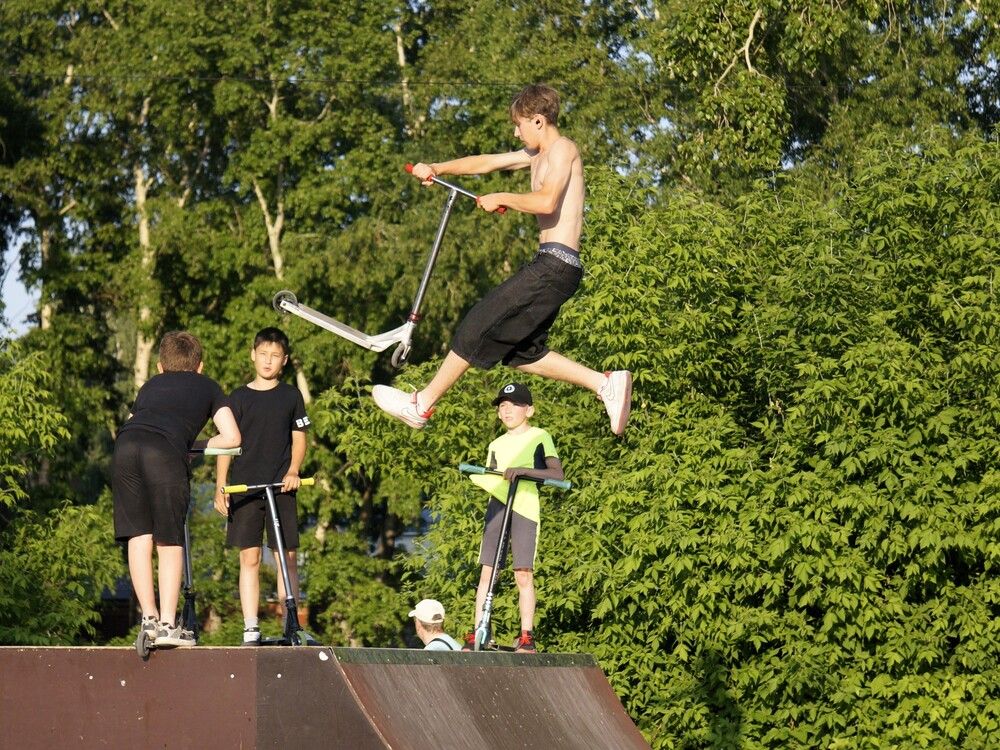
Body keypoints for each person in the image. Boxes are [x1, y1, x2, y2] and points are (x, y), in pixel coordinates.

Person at [373, 83, 632, 436]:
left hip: (555, 265)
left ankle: (422, 404)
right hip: (553, 266)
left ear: (538, 120)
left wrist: (503, 197)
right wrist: (437, 167)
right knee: (518, 353)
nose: (515, 131)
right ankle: (604, 384)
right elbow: (487, 163)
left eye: (519, 124)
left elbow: (547, 202)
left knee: (477, 323)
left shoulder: (563, 150)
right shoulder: (536, 154)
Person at [113, 331, 241, 647]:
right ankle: (169, 625)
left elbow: (132, 421)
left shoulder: (149, 386)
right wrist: (189, 444)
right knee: (168, 537)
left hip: (125, 446)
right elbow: (232, 437)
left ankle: (149, 619)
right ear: (200, 365)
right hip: (164, 453)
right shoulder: (208, 386)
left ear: (160, 366)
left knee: (138, 535)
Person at [214, 327, 310, 646]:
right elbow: (226, 445)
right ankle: (251, 625)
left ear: (283, 361)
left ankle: (291, 622)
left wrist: (294, 469)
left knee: (287, 556)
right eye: (263, 354)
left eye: (275, 356)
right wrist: (220, 486)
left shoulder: (291, 396)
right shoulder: (237, 398)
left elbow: (299, 437)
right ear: (253, 354)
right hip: (245, 488)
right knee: (250, 557)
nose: (268, 361)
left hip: (281, 486)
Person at [464, 382, 563, 653]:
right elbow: (492, 476)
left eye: (514, 405)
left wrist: (524, 471)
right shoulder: (495, 444)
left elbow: (557, 474)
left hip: (525, 508)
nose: (507, 411)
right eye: (502, 406)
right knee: (487, 571)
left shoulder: (540, 436)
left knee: (522, 575)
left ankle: (527, 635)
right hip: (497, 506)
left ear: (528, 410)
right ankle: (479, 632)